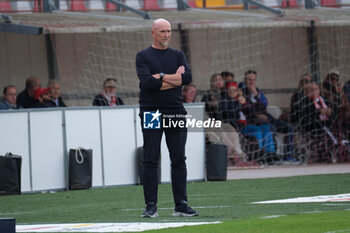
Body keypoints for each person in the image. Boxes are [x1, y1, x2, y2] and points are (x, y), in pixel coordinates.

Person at [135, 18, 198, 218]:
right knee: (151, 158)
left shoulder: (178, 55)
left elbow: (187, 79)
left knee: (179, 158)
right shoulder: (143, 55)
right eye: (162, 31)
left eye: (169, 31)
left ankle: (181, 204)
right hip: (151, 111)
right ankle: (151, 205)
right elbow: (147, 83)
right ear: (153, 32)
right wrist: (174, 78)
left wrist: (161, 76)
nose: (166, 35)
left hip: (175, 111)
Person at [241, 70, 294, 160]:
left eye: (254, 80)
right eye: (249, 79)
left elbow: (265, 104)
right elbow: (247, 108)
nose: (251, 82)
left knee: (289, 128)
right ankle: (269, 154)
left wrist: (256, 94)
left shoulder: (257, 91)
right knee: (269, 128)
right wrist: (257, 116)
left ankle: (288, 155)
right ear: (244, 79)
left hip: (267, 117)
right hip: (254, 120)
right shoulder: (241, 91)